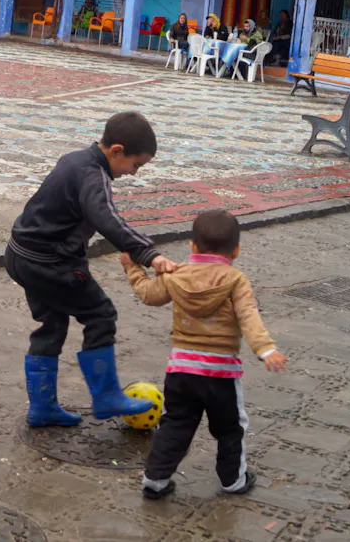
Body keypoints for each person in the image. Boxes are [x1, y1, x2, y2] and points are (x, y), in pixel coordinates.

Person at [7, 112, 172, 428]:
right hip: (49, 263)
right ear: (116, 151)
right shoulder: (93, 175)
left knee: (52, 323)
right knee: (100, 314)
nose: (134, 173)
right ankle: (107, 395)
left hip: (22, 254)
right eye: (135, 165)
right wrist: (149, 254)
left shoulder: (74, 159)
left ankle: (42, 409)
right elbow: (108, 219)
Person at [119, 209, 288, 500]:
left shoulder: (176, 275)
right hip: (220, 374)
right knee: (230, 428)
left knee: (175, 425)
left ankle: (154, 481)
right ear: (236, 250)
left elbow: (148, 294)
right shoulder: (236, 280)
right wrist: (266, 349)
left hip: (181, 371)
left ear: (192, 246)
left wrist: (132, 268)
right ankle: (234, 480)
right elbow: (249, 316)